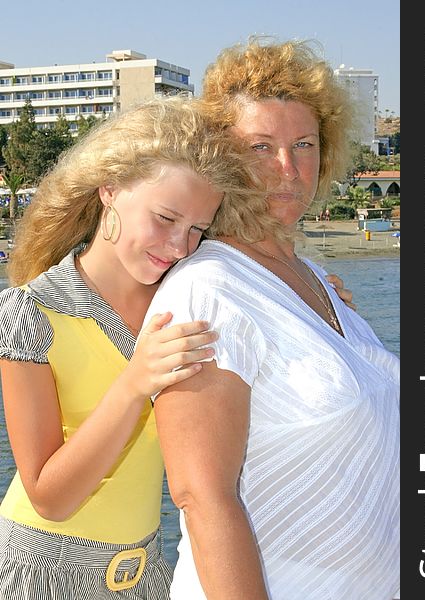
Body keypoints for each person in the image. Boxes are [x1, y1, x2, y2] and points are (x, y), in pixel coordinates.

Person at [145, 38, 400, 600]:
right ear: (219, 158)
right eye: (261, 147)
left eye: (303, 144)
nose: (288, 169)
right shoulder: (206, 291)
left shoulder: (315, 278)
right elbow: (201, 496)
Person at [0, 96, 256, 599]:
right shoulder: (27, 314)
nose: (179, 247)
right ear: (110, 190)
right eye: (165, 218)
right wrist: (136, 382)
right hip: (40, 575)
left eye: (197, 230)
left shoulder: (187, 302)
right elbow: (49, 497)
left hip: (146, 576)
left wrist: (317, 300)